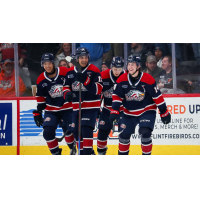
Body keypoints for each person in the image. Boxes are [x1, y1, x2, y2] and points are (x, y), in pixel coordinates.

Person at [109, 55, 171, 155]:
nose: (130, 67)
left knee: (145, 132)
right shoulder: (121, 80)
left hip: (146, 110)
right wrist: (115, 110)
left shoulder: (148, 79)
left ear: (138, 66)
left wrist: (164, 112)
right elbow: (117, 96)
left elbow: (157, 97)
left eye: (133, 64)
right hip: (128, 112)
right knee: (124, 135)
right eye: (129, 64)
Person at [32, 53, 76, 155]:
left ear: (54, 63)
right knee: (47, 133)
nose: (47, 66)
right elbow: (41, 98)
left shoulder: (64, 72)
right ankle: (56, 154)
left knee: (70, 130)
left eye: (49, 63)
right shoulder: (41, 79)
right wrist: (38, 111)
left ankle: (73, 149)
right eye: (45, 63)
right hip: (52, 110)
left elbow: (75, 79)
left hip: (68, 108)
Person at [63, 47, 103, 155]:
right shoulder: (70, 72)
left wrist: (86, 80)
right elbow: (65, 87)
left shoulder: (94, 70)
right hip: (76, 108)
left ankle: (86, 154)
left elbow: (98, 90)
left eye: (85, 57)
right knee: (76, 133)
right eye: (81, 57)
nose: (84, 60)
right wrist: (66, 94)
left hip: (91, 108)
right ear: (77, 59)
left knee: (86, 130)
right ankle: (88, 154)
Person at [97, 56, 125, 155]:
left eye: (119, 69)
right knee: (102, 133)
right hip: (107, 109)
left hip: (122, 110)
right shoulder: (103, 75)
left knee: (124, 135)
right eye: (115, 69)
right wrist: (96, 108)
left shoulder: (126, 76)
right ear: (111, 67)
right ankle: (101, 153)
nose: (117, 71)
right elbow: (98, 93)